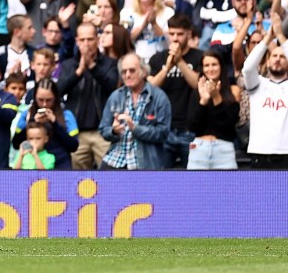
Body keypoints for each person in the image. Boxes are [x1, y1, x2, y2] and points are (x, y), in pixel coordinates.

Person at [243, 12, 288, 169]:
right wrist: (267, 39)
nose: (278, 59)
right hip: (260, 153)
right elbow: (248, 68)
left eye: (283, 56)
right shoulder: (257, 85)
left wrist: (281, 37)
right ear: (268, 59)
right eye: (274, 56)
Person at [57, 23, 119, 169]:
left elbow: (112, 87)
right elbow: (58, 91)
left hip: (102, 132)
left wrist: (92, 66)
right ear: (77, 41)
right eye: (82, 40)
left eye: (90, 39)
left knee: (108, 176)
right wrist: (79, 72)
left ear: (97, 39)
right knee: (78, 181)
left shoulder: (110, 64)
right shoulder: (68, 65)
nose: (86, 44)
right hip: (77, 133)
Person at [99, 53, 172, 169]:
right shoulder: (115, 96)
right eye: (124, 71)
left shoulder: (159, 97)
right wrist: (113, 131)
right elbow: (103, 129)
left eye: (132, 70)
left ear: (143, 72)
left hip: (144, 163)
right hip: (115, 159)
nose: (127, 75)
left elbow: (163, 133)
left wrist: (135, 128)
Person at [148, 14, 203, 168]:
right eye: (172, 34)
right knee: (163, 180)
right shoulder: (158, 59)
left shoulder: (199, 57)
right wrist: (168, 67)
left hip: (190, 129)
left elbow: (197, 85)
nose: (175, 38)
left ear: (189, 34)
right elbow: (151, 89)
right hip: (165, 128)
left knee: (192, 180)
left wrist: (180, 61)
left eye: (180, 34)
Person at [188, 49, 240, 169]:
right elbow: (192, 126)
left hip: (224, 150)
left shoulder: (233, 91)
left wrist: (216, 97)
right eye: (206, 65)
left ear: (221, 66)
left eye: (214, 64)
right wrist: (203, 101)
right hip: (199, 149)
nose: (210, 69)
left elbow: (229, 124)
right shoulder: (197, 92)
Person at [13, 79, 80, 169]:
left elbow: (73, 146)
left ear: (55, 98)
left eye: (49, 100)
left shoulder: (66, 115)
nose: (44, 104)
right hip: (33, 166)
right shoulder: (27, 114)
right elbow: (16, 144)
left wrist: (55, 123)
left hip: (60, 166)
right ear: (35, 98)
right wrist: (32, 122)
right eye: (40, 100)